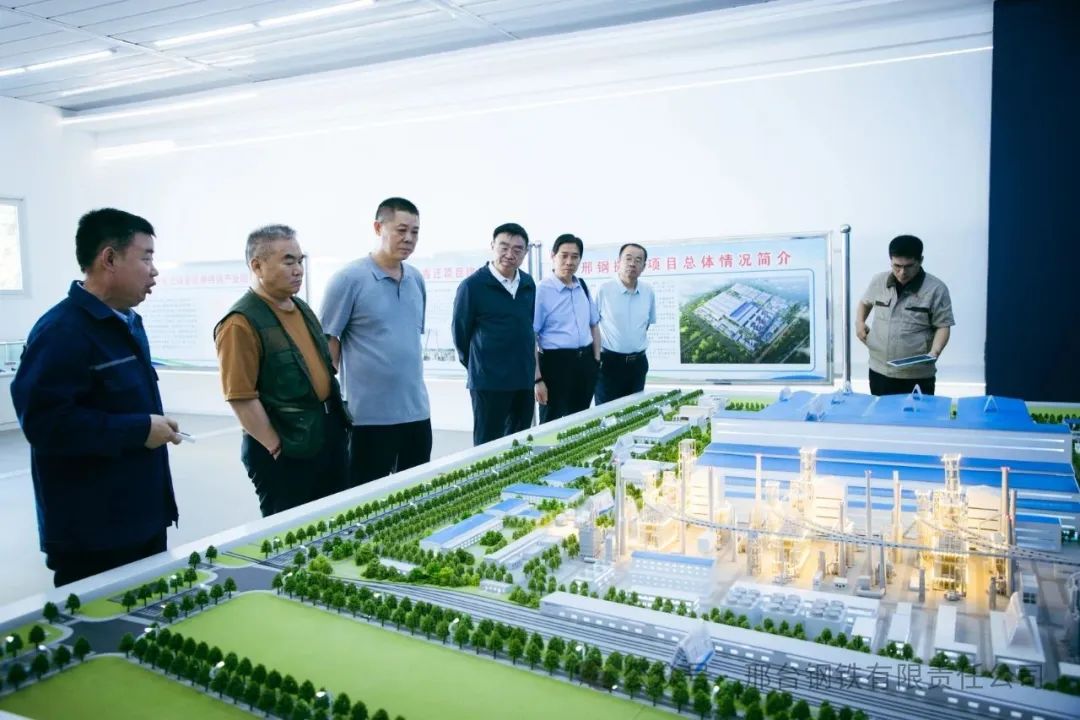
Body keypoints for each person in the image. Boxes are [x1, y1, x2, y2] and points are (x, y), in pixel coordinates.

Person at [11, 208, 181, 586]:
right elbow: (46, 425)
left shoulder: (128, 322)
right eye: (146, 258)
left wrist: (150, 425)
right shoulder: (61, 332)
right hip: (94, 534)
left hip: (143, 518)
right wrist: (139, 429)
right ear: (109, 258)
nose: (154, 271)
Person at [214, 225, 348, 516]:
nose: (298, 270)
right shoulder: (240, 322)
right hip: (286, 447)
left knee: (334, 521)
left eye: (300, 261)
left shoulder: (301, 308)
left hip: (323, 434)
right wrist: (275, 447)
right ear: (257, 265)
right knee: (291, 530)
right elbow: (240, 396)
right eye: (288, 261)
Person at [321, 197, 431, 486]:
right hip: (367, 418)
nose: (409, 238)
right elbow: (329, 341)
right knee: (365, 497)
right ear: (377, 228)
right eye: (401, 230)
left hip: (416, 412)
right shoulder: (348, 279)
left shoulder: (416, 279)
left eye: (415, 232)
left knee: (415, 494)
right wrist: (331, 404)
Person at [452, 223, 537, 445]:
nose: (510, 254)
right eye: (504, 247)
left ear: (525, 253)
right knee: (488, 445)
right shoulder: (472, 286)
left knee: (519, 443)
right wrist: (479, 366)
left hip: (522, 378)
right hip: (489, 382)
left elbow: (528, 326)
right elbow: (461, 335)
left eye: (517, 249)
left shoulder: (528, 283)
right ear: (492, 246)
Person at [856, 234, 954, 396]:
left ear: (920, 261)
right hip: (879, 369)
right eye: (897, 266)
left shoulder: (936, 289)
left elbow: (943, 325)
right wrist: (859, 322)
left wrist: (935, 352)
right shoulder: (878, 281)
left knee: (917, 413)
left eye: (909, 266)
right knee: (881, 412)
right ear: (891, 261)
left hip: (917, 375)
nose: (902, 272)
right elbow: (865, 302)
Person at [533, 233, 601, 423]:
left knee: (580, 421)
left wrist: (596, 360)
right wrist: (537, 379)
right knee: (551, 422)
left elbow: (594, 324)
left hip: (585, 362)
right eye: (564, 256)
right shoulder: (541, 290)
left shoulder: (582, 286)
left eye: (575, 256)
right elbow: (532, 336)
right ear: (552, 256)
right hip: (555, 364)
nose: (569, 262)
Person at [594, 242, 656, 405]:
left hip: (638, 365)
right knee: (607, 414)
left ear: (644, 266)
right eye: (628, 258)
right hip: (609, 364)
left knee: (635, 412)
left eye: (638, 260)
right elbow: (592, 325)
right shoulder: (603, 289)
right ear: (619, 262)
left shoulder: (648, 291)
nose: (632, 264)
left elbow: (646, 324)